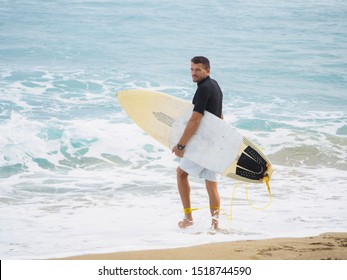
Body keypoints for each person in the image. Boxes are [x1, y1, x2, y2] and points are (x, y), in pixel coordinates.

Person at [172, 56, 223, 230]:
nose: (193, 73)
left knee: (181, 174)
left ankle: (188, 219)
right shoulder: (215, 86)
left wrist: (181, 145)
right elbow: (220, 117)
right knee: (211, 184)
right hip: (214, 143)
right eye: (192, 69)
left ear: (207, 70)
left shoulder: (202, 89)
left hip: (202, 144)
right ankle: (215, 226)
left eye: (198, 70)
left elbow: (195, 119)